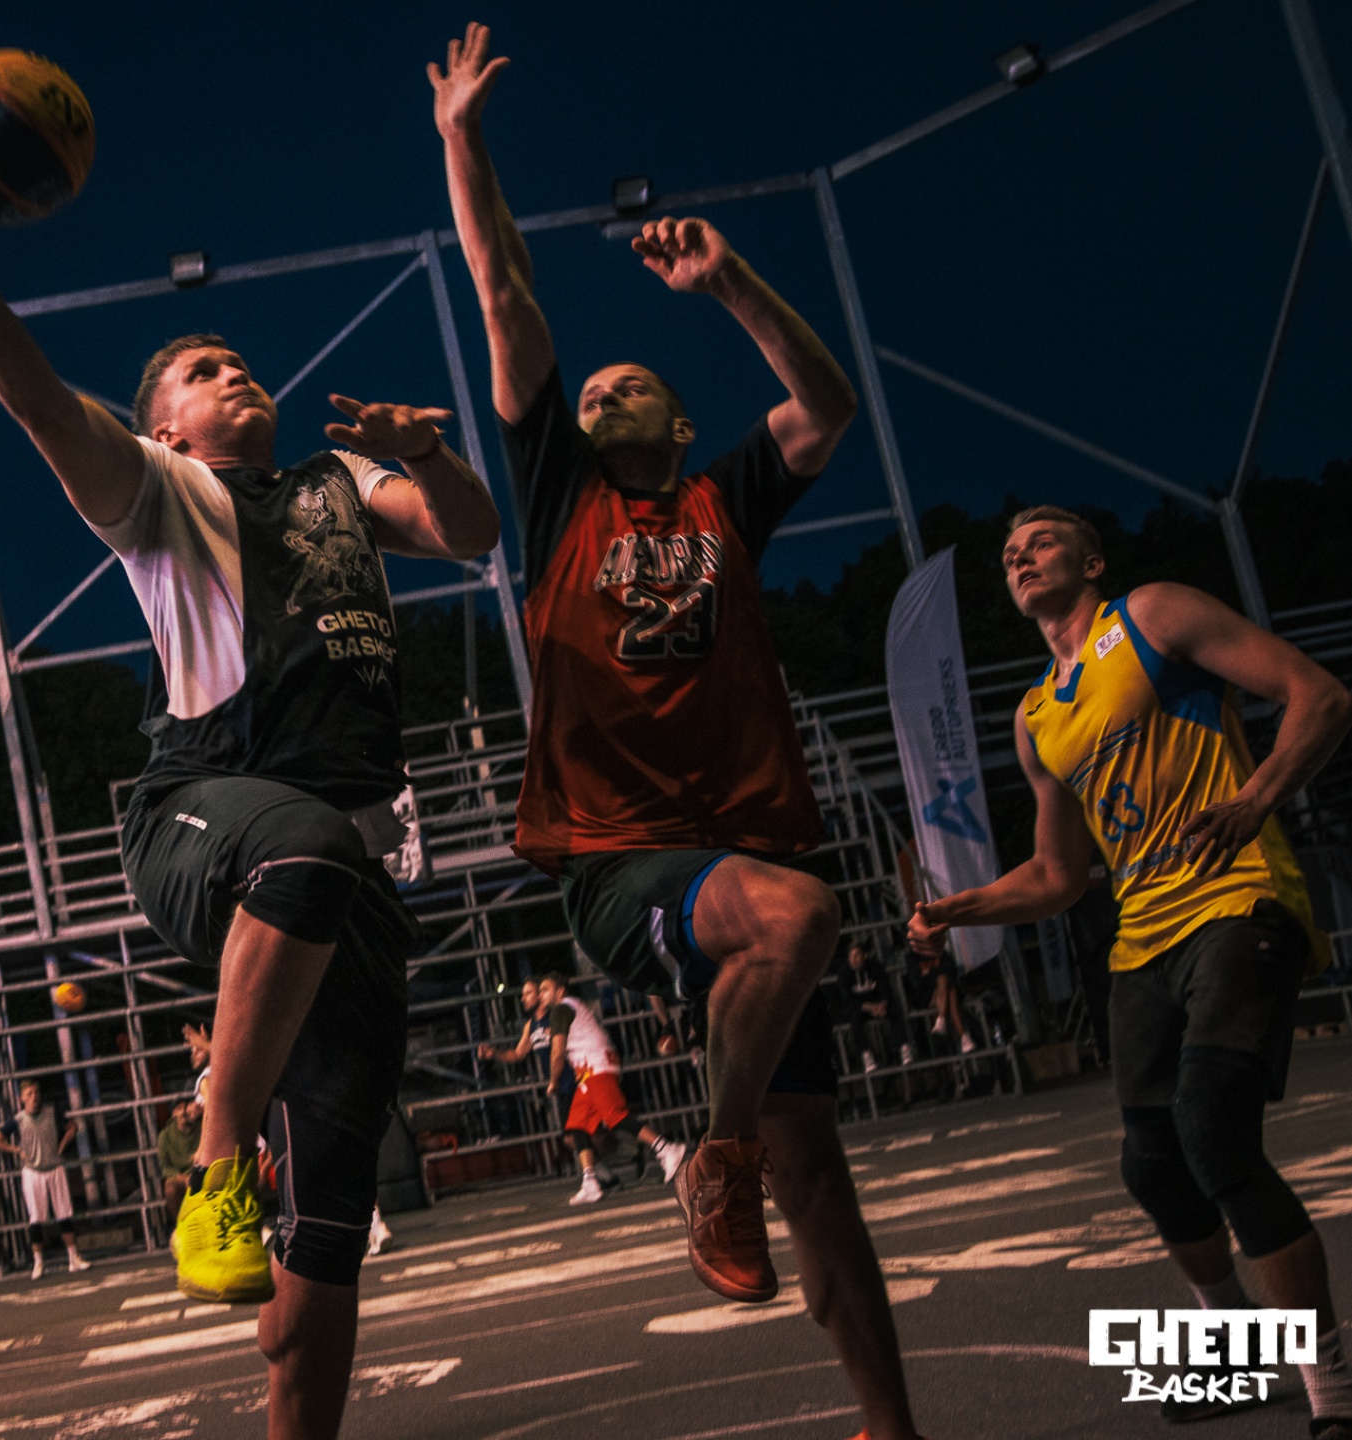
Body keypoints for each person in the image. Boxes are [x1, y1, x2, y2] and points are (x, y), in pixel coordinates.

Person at [0, 84, 501, 1440]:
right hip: (201, 817)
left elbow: (470, 533)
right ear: (165, 426)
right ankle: (214, 1159)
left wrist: (428, 450)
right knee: (304, 846)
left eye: (239, 359)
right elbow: (33, 395)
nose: (234, 371)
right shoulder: (157, 490)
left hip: (347, 874)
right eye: (202, 371)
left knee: (329, 1243)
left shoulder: (342, 481)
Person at [435, 27, 924, 1439]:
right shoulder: (557, 500)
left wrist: (731, 283)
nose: (600, 393)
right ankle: (712, 1157)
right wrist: (462, 135)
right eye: (590, 390)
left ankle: (891, 1426)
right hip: (622, 851)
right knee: (796, 919)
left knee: (818, 1172)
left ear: (680, 417)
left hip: (746, 836)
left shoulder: (723, 502)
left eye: (628, 385)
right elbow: (504, 289)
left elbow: (827, 406)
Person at [908, 505, 1351, 1434]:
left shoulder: (1151, 616)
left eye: (1041, 541)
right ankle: (1230, 1354)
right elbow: (1059, 875)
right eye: (1008, 553)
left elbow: (1319, 696)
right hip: (1141, 939)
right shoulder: (1035, 716)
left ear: (1091, 561)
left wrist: (1253, 798)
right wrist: (959, 909)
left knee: (1212, 1129)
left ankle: (1332, 1390)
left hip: (1235, 899)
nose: (1020, 557)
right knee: (1151, 1166)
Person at [480, 975, 683, 1200]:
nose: (541, 994)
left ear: (560, 991)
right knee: (577, 1127)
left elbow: (558, 1052)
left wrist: (554, 1081)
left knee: (615, 1116)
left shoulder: (561, 1009)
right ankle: (590, 1182)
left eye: (545, 990)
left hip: (596, 1066)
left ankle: (666, 1148)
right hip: (587, 1072)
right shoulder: (562, 1009)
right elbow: (522, 1052)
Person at [0, 1080, 90, 1279]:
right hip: (33, 1171)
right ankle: (39, 1262)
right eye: (29, 1093)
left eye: (36, 1092)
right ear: (22, 1099)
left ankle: (73, 1257)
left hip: (55, 1167)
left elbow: (72, 1127)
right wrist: (16, 1150)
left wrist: (61, 1147)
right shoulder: (18, 1119)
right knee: (36, 1218)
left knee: (64, 1213)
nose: (34, 1096)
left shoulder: (51, 1112)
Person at [839, 942, 913, 1072]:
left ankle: (904, 1048)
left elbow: (886, 989)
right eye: (851, 956)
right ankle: (866, 1055)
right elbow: (847, 999)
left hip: (878, 1004)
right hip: (861, 1008)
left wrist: (882, 1004)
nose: (854, 959)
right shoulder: (844, 973)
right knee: (854, 1017)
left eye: (857, 955)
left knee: (895, 1010)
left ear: (865, 955)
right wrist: (869, 1007)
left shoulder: (875, 967)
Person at [157, 1095, 202, 1222]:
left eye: (185, 1108)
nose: (183, 1112)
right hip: (179, 1176)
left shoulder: (201, 1129)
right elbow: (164, 1167)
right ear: (173, 1114)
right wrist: (181, 1177)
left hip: (199, 1171)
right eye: (179, 1108)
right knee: (171, 1190)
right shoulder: (165, 1136)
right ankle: (180, 1223)